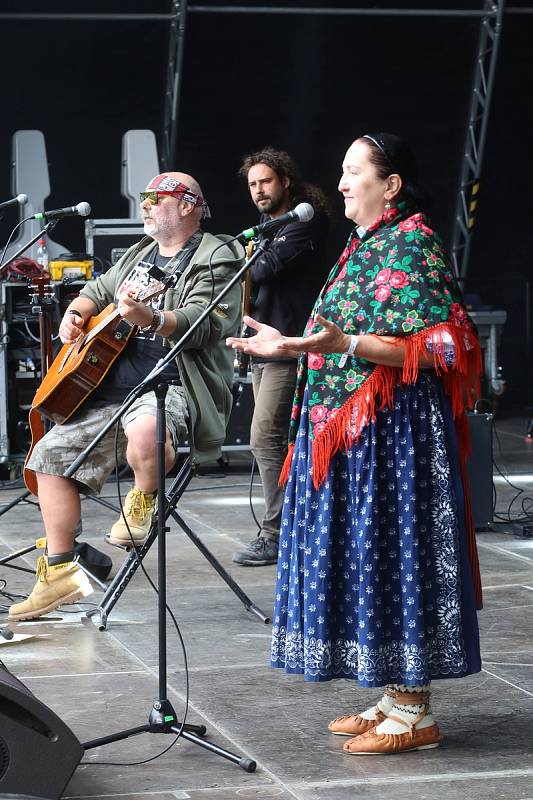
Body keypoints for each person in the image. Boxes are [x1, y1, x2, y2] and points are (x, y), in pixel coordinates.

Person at [227, 134, 483, 754]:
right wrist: (289, 345)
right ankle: (395, 694)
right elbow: (338, 336)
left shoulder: (413, 243)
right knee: (369, 554)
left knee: (396, 550)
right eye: (341, 171)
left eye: (353, 172)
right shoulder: (362, 245)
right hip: (351, 435)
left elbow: (445, 346)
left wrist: (344, 346)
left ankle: (417, 713)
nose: (340, 183)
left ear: (390, 185)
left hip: (395, 436)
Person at [10, 171, 244, 621]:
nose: (146, 204)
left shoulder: (218, 254)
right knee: (47, 456)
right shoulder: (140, 253)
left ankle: (144, 499)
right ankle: (60, 571)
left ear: (190, 204)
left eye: (157, 197)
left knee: (148, 428)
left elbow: (208, 322)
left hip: (171, 382)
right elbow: (96, 291)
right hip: (109, 386)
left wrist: (152, 318)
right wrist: (75, 314)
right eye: (144, 197)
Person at [232, 147, 329, 566]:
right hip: (263, 347)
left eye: (265, 181)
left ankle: (275, 533)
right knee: (278, 440)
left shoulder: (304, 223)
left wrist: (237, 259)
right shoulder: (265, 228)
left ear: (285, 180)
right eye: (252, 184)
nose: (258, 190)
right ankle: (295, 527)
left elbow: (260, 270)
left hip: (289, 346)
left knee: (264, 437)